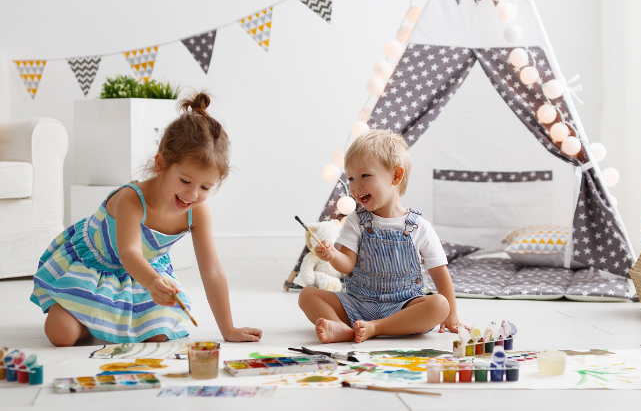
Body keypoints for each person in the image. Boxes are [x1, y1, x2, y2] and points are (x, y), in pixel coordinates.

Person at [31, 91, 261, 346]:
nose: (192, 194)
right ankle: (87, 322)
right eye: (185, 181)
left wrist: (228, 329)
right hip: (94, 268)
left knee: (159, 334)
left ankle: (105, 321)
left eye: (205, 187)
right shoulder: (132, 199)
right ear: (161, 164)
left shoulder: (196, 211)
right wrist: (153, 282)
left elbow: (212, 270)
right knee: (61, 335)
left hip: (141, 277)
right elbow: (129, 253)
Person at [298, 129, 464, 343]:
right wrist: (332, 256)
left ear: (396, 176)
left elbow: (440, 273)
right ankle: (341, 328)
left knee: (439, 304)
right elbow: (347, 264)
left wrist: (451, 315)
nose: (356, 186)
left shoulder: (420, 227)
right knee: (308, 295)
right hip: (357, 303)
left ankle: (375, 328)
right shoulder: (356, 221)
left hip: (402, 307)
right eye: (351, 178)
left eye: (365, 175)